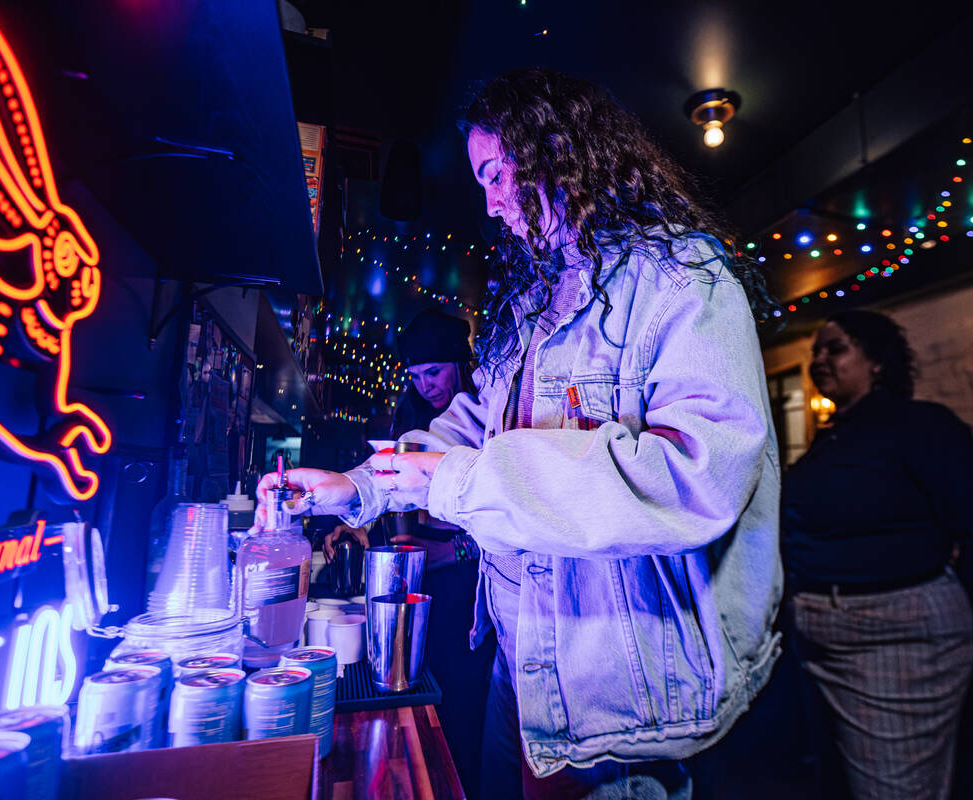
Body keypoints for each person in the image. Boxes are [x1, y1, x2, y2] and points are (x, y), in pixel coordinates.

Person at [256, 67, 783, 799]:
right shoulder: (534, 302)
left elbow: (697, 477)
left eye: (498, 172)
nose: (493, 204)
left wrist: (462, 480)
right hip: (523, 657)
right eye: (482, 182)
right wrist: (359, 485)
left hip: (620, 687)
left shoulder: (678, 277)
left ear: (562, 150)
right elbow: (472, 424)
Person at [781, 309, 973, 799]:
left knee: (894, 791)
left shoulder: (919, 426)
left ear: (878, 362)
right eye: (815, 352)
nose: (819, 360)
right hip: (824, 638)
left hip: (894, 637)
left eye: (835, 348)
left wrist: (969, 618)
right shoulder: (834, 437)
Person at [321, 308, 493, 797]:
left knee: (462, 702)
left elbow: (507, 509)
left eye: (434, 372)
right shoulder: (416, 417)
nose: (425, 385)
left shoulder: (487, 411)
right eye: (415, 376)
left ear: (460, 363)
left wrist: (450, 555)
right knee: (418, 694)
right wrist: (358, 520)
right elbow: (391, 479)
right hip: (422, 582)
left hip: (468, 585)